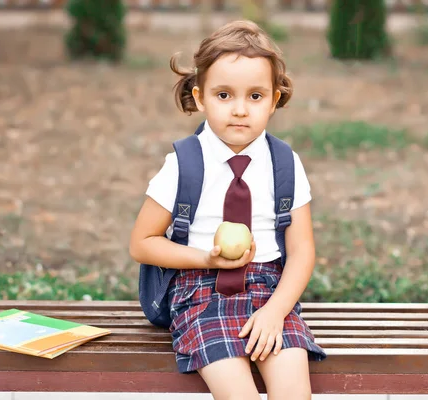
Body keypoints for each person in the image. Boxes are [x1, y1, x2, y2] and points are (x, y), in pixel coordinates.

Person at [129, 19, 326, 400]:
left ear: (275, 100)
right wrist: (205, 258)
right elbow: (142, 243)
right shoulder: (184, 164)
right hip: (200, 292)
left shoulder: (285, 163)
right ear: (200, 98)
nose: (239, 110)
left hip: (270, 292)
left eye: (255, 96)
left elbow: (302, 251)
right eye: (224, 95)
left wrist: (275, 312)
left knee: (294, 393)